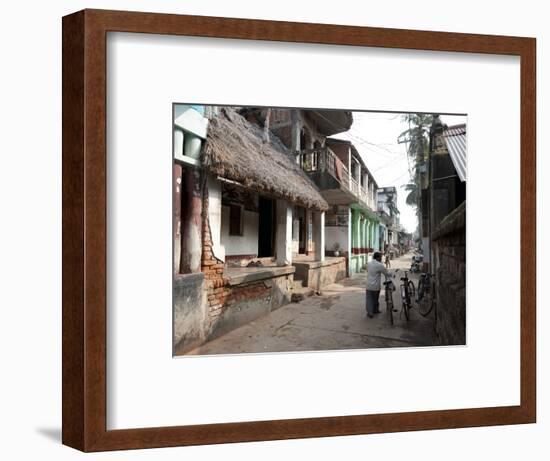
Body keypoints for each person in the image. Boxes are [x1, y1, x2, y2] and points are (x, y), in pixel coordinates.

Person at [366, 251, 388, 318]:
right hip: (376, 286)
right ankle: (375, 310)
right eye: (380, 257)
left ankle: (370, 312)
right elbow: (386, 273)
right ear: (377, 257)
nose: (381, 258)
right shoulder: (379, 265)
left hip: (369, 285)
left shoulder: (369, 264)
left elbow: (368, 271)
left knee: (369, 299)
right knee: (375, 299)